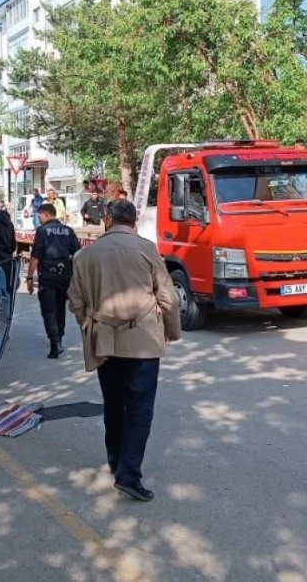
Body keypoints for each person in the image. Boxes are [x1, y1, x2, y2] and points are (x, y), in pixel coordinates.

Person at [68, 200, 181, 502]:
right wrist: (172, 330)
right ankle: (129, 474)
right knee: (141, 408)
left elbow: (76, 302)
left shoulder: (85, 254)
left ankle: (116, 459)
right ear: (134, 222)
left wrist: (89, 327)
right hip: (143, 340)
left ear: (107, 219)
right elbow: (168, 296)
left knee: (114, 403)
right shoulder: (146, 249)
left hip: (104, 340)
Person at [27, 203, 82, 358]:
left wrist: (30, 277)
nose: (39, 219)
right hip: (65, 275)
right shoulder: (68, 230)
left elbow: (35, 255)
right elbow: (77, 253)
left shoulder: (42, 231)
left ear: (45, 214)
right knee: (60, 307)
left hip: (48, 275)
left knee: (48, 309)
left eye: (39, 216)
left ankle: (54, 342)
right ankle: (59, 338)